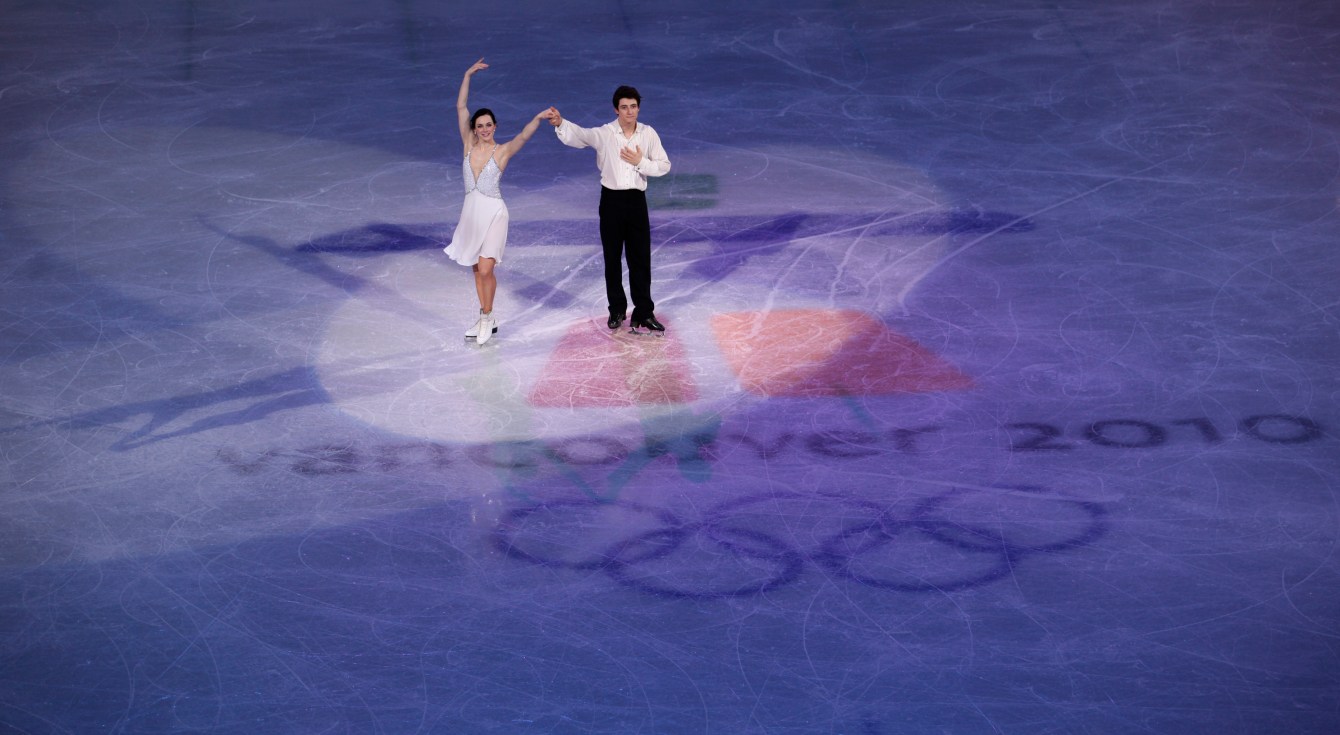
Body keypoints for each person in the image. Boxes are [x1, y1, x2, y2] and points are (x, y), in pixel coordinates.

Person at [546, 86, 671, 332]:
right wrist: (560, 123)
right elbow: (580, 136)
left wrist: (640, 163)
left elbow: (664, 165)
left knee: (640, 260)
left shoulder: (648, 134)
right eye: (624, 107)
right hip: (611, 201)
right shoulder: (605, 133)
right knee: (612, 259)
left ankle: (644, 312)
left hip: (636, 202)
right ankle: (616, 310)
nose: (629, 112)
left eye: (633, 106)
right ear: (616, 109)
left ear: (638, 108)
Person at [444, 58, 551, 344]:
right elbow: (460, 107)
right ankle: (485, 317)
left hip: (494, 215)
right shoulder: (467, 145)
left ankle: (488, 316)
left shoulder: (502, 152)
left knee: (487, 268)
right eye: (479, 126)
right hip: (471, 216)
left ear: (495, 126)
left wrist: (538, 118)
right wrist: (467, 74)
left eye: (488, 125)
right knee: (477, 271)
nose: (484, 129)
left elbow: (523, 136)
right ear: (474, 129)